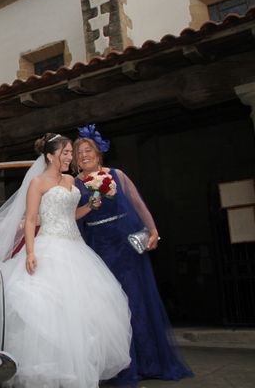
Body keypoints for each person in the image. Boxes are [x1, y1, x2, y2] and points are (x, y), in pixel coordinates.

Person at [0, 133, 132, 388]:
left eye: (71, 153)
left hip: (76, 248)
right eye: (66, 153)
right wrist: (29, 252)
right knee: (50, 311)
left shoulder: (71, 179)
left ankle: (77, 370)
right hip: (49, 245)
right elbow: (30, 219)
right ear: (50, 155)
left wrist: (91, 206)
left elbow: (73, 214)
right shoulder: (37, 183)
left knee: (82, 310)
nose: (71, 158)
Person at [73, 124, 193, 386]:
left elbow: (138, 203)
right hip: (96, 249)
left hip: (124, 245)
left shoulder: (117, 174)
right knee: (107, 308)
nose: (84, 155)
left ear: (98, 153)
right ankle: (117, 366)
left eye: (88, 150)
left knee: (135, 303)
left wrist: (153, 230)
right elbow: (69, 216)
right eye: (79, 152)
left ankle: (147, 362)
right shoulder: (73, 183)